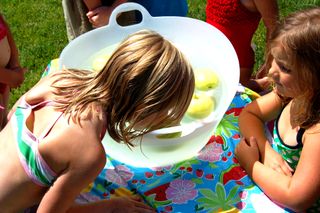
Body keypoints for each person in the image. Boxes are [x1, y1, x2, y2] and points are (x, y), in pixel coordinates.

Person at [0, 30, 194, 212]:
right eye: (166, 112)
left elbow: (10, 119)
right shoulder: (89, 153)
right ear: (147, 106)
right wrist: (111, 207)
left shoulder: (59, 78)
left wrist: (35, 177)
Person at [235, 7, 320, 211]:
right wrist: (266, 151)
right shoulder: (290, 95)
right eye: (274, 60)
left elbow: (296, 198)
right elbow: (250, 113)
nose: (271, 72)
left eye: (285, 68)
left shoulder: (316, 131)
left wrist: (252, 164)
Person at [206, 0, 279, 92]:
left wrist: (269, 62)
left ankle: (264, 85)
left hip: (236, 61)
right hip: (209, 52)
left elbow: (273, 26)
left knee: (232, 93)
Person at [0, 13, 26, 129]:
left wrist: (14, 62)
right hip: (4, 76)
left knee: (3, 122)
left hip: (4, 78)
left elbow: (4, 27)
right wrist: (11, 77)